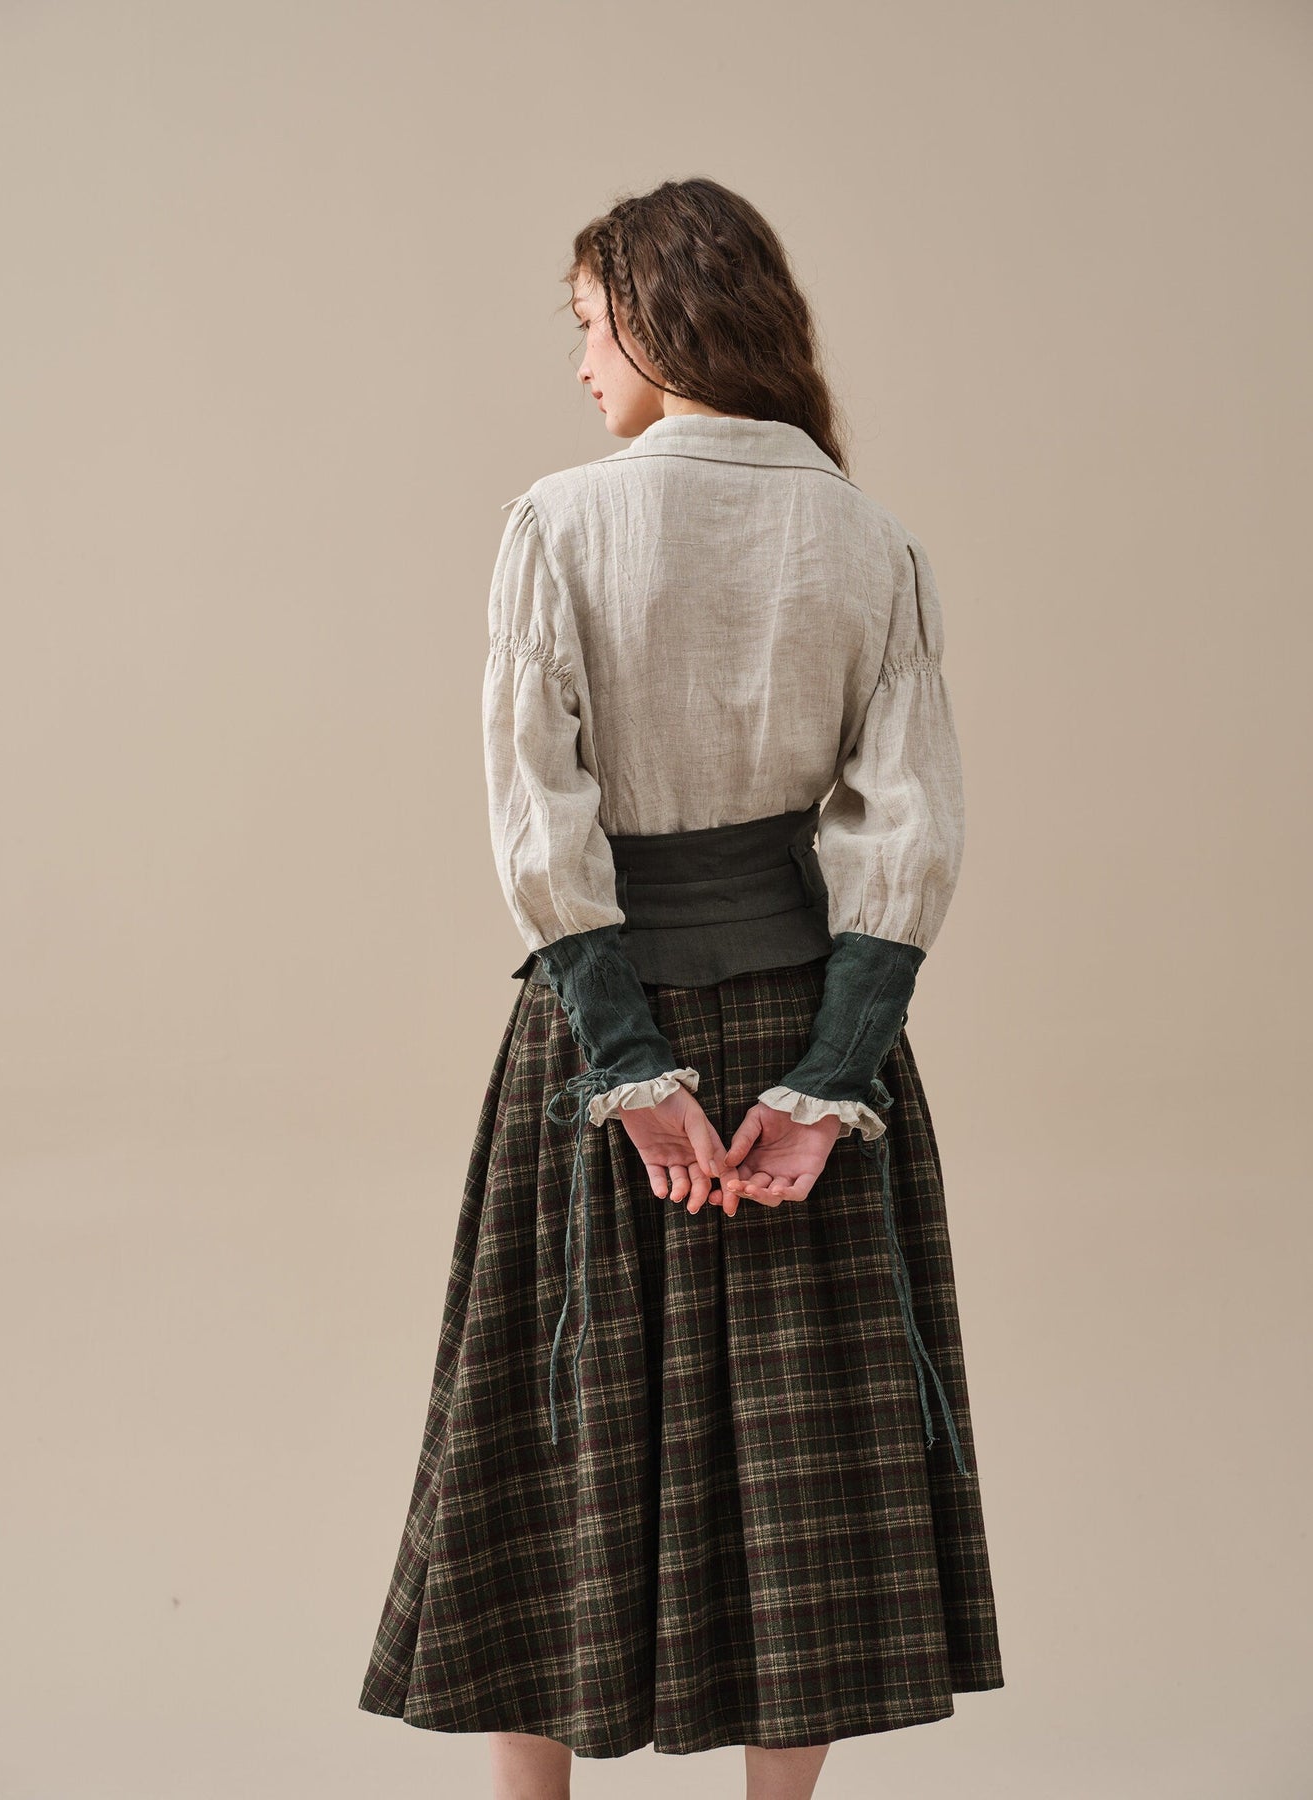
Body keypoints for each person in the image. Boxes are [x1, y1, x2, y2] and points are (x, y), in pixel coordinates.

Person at [357, 176, 1004, 1800]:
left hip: (601, 1032)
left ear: (658, 316)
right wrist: (827, 1082)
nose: (581, 362)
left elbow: (538, 817)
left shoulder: (557, 521)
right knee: (808, 1461)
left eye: (589, 324)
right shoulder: (870, 538)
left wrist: (629, 1069)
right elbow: (905, 837)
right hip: (803, 1022)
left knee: (545, 1436)